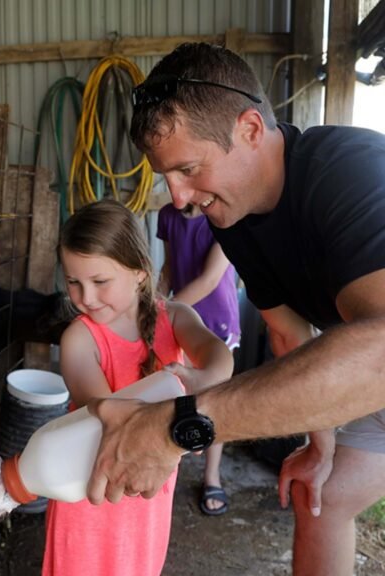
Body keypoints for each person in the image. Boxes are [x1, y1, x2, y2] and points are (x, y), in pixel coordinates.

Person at [85, 41, 385, 576]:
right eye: (166, 177)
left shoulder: (352, 171)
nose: (177, 198)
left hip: (374, 361)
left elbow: (380, 355)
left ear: (250, 129)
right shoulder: (236, 217)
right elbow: (290, 336)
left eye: (189, 169)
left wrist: (178, 427)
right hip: (363, 368)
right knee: (320, 496)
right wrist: (319, 446)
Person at [43, 199, 233, 576]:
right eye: (73, 282)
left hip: (148, 496)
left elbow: (217, 354)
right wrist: (183, 419)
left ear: (140, 273)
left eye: (100, 282)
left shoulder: (175, 316)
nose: (86, 297)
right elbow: (113, 412)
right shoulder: (79, 338)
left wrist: (207, 379)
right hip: (91, 494)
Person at [156, 202, 241, 515]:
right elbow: (168, 267)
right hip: (180, 319)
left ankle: (211, 475)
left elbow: (209, 279)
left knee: (213, 399)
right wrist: (156, 299)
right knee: (177, 392)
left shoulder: (222, 216)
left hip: (215, 320)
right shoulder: (167, 216)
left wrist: (162, 311)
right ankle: (168, 467)